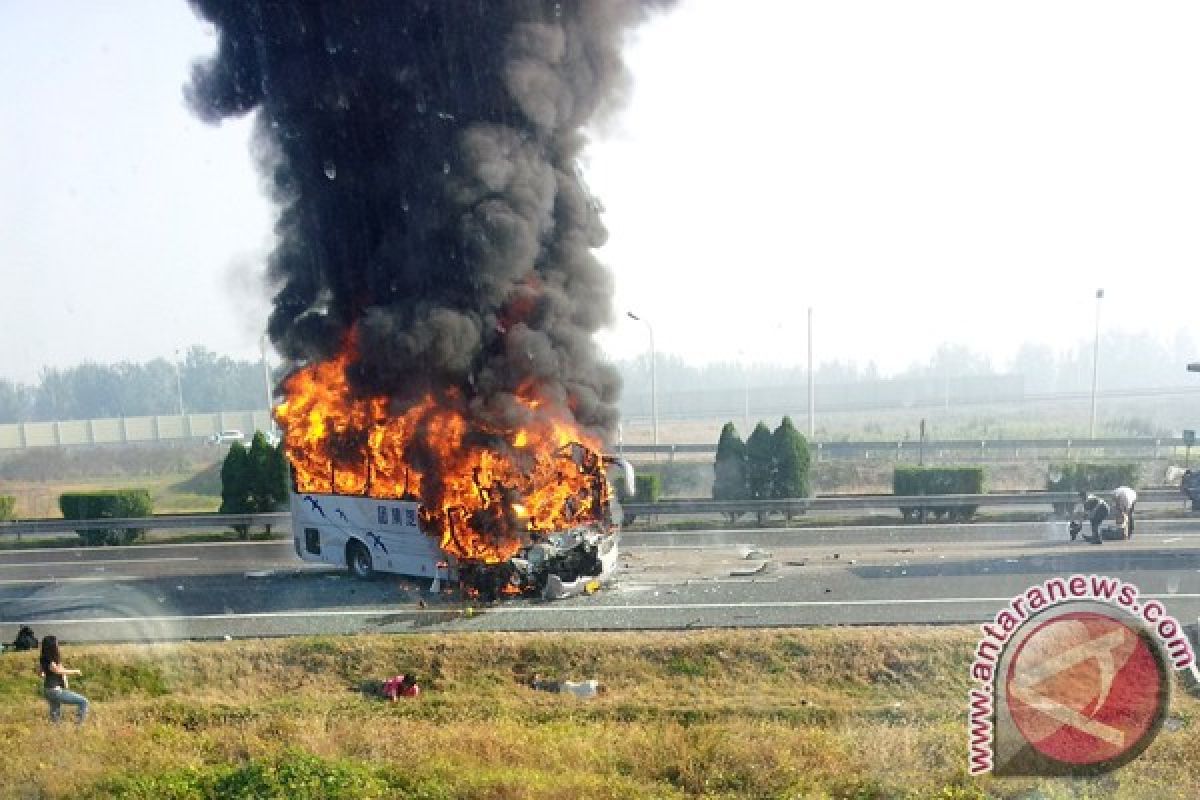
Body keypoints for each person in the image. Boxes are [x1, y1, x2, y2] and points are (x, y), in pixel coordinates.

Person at [39, 636, 88, 725]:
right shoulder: (50, 661)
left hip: (48, 690)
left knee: (55, 713)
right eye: (57, 644)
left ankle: (55, 730)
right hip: (55, 691)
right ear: (52, 646)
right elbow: (58, 671)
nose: (58, 646)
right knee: (83, 701)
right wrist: (75, 671)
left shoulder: (44, 659)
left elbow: (41, 672)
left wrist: (44, 673)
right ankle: (79, 725)